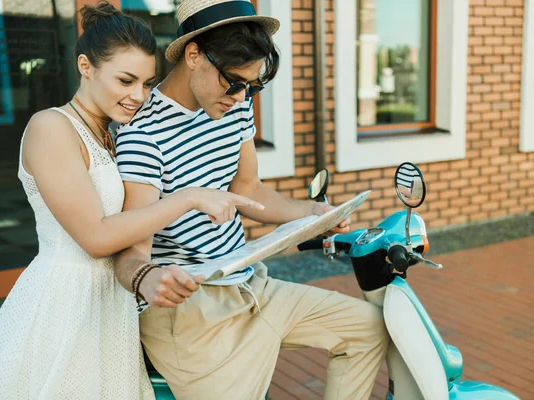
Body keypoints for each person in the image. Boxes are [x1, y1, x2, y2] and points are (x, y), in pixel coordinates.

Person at [113, 1, 390, 399]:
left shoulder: (234, 108)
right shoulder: (144, 135)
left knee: (368, 327)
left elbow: (248, 190)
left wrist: (315, 213)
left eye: (252, 86)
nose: (242, 96)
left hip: (251, 284)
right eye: (234, 82)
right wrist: (148, 278)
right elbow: (133, 249)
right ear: (194, 56)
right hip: (191, 312)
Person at [0, 2, 261, 399]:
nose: (138, 96)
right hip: (65, 304)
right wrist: (188, 197)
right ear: (86, 67)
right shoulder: (51, 127)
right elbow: (95, 237)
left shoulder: (113, 133)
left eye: (147, 84)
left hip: (114, 304)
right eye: (126, 80)